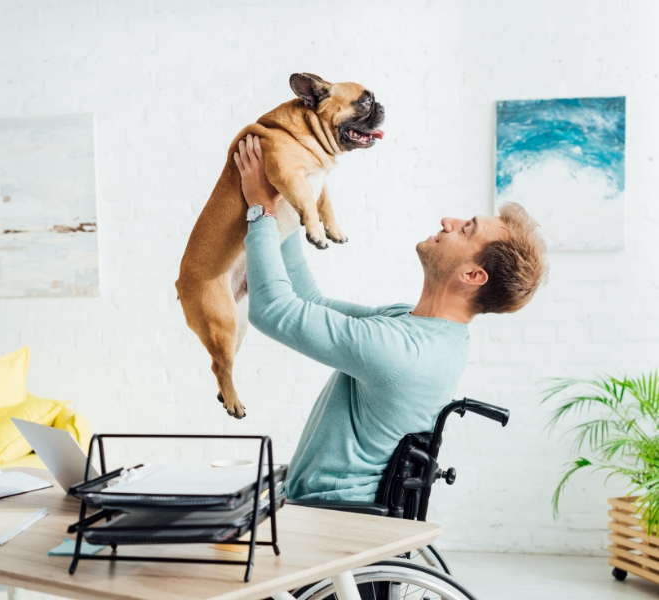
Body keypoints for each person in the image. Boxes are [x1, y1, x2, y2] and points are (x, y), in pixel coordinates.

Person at [233, 134, 548, 503]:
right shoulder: (423, 330)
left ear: (473, 276)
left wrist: (260, 209)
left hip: (328, 517)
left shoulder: (403, 351)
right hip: (311, 504)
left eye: (466, 229)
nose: (448, 220)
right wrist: (283, 203)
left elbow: (275, 311)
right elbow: (309, 301)